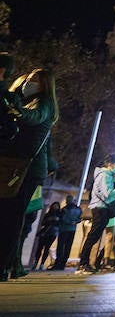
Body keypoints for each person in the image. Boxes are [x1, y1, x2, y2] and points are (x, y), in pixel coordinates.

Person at [0, 67, 58, 282]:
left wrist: (17, 112)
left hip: (26, 170)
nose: (29, 82)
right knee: (8, 215)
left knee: (13, 217)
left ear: (45, 86)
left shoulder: (44, 104)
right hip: (13, 166)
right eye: (29, 78)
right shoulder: (20, 99)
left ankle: (4, 266)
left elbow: (34, 117)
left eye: (35, 80)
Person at [77, 155, 115, 274]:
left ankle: (86, 263)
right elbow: (108, 194)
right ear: (109, 164)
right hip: (100, 208)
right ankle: (83, 264)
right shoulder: (104, 175)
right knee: (93, 236)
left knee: (96, 236)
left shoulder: (108, 175)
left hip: (103, 208)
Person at [51, 194, 82, 270]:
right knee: (68, 246)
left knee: (61, 246)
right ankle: (63, 264)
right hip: (72, 229)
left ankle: (57, 264)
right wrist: (74, 222)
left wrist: (67, 222)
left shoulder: (64, 209)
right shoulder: (78, 209)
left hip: (64, 229)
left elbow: (62, 219)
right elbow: (79, 219)